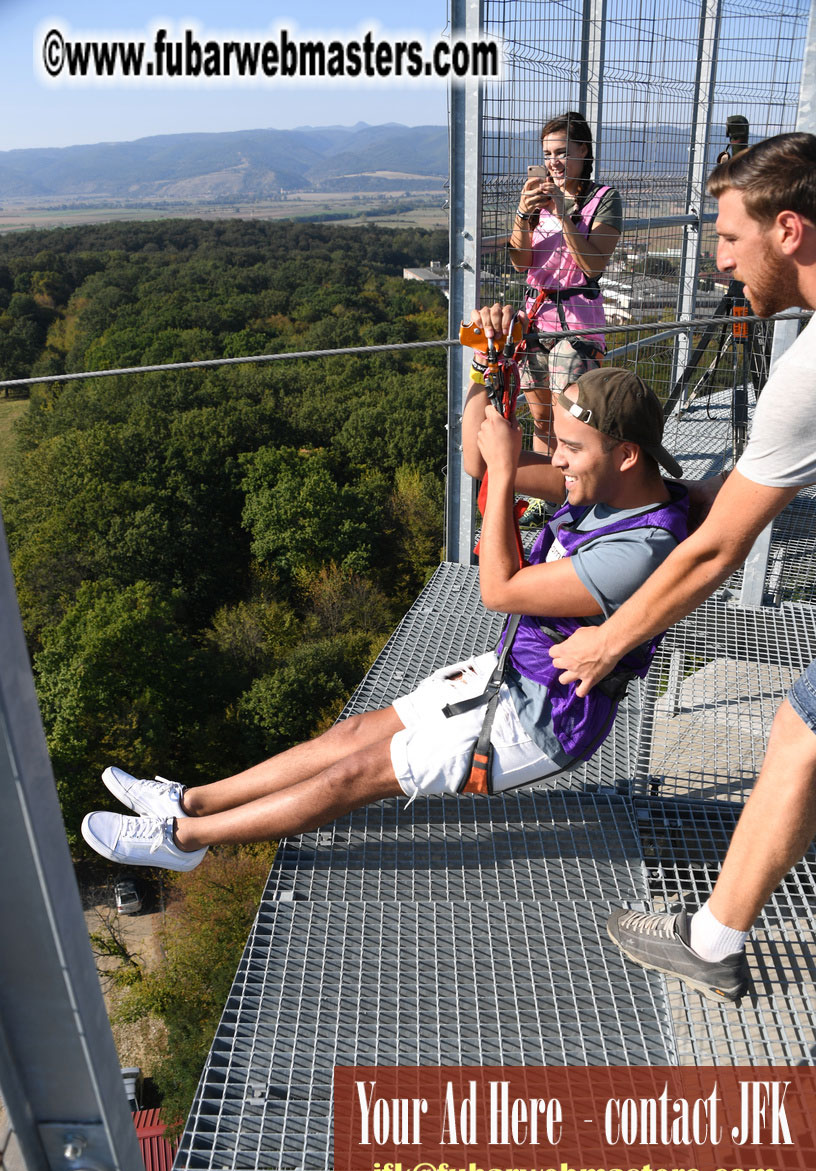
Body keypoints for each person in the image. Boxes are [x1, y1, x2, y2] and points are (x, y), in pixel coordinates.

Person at [82, 305, 687, 884]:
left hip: (542, 719)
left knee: (353, 774)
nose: (556, 460)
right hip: (514, 673)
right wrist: (484, 367)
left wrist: (507, 474)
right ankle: (190, 800)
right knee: (346, 737)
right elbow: (478, 456)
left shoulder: (638, 550)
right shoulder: (606, 484)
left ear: (626, 455)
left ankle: (183, 842)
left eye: (570, 450)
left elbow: (500, 590)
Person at [548, 131, 816, 1004]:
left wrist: (604, 643)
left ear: (789, 231)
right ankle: (713, 935)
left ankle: (711, 942)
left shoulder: (808, 372)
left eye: (729, 239)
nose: (721, 263)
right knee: (801, 735)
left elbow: (714, 548)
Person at [509, 112, 622, 529]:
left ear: (584, 152)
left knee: (570, 420)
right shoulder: (537, 200)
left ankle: (580, 497)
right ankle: (547, 496)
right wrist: (524, 216)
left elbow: (592, 263)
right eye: (547, 154)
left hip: (577, 324)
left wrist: (564, 212)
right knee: (540, 417)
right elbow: (521, 261)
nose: (553, 162)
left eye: (561, 153)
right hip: (535, 318)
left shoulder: (604, 199)